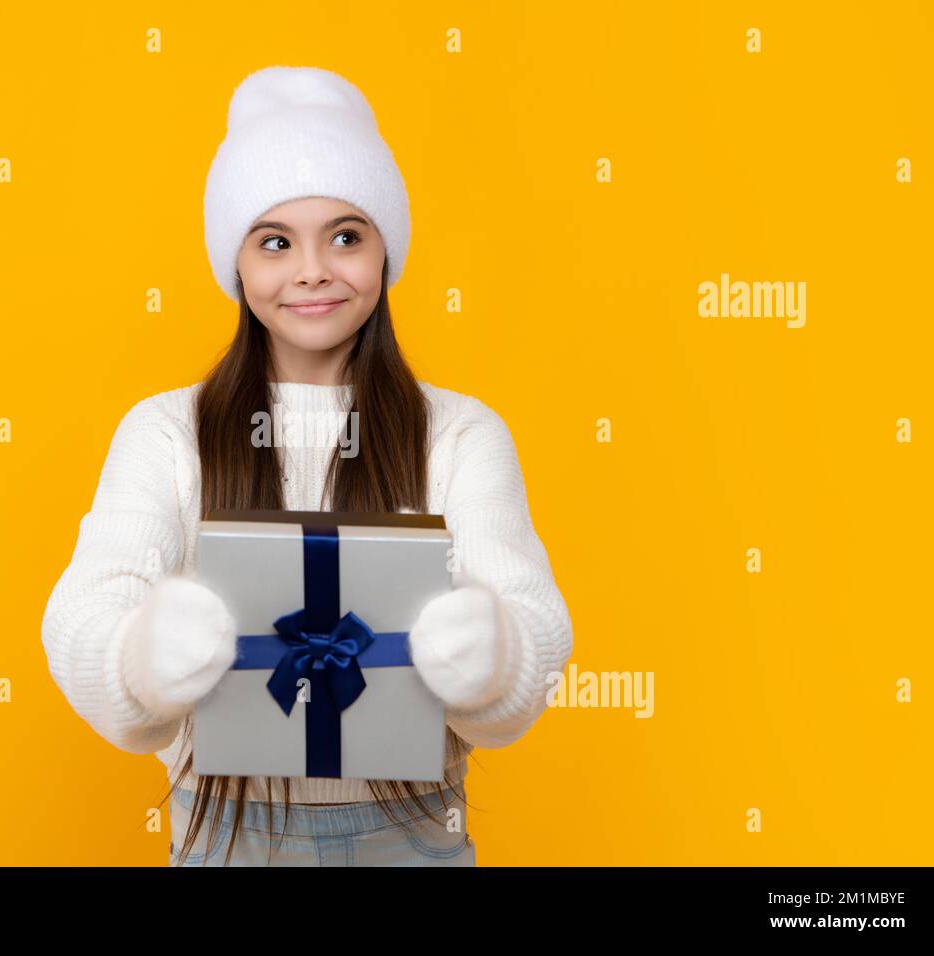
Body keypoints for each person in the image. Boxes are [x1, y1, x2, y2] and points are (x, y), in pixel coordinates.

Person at [41, 65, 573, 866]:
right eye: (277, 241)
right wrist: (140, 658)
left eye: (347, 235)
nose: (314, 270)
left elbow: (530, 643)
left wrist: (494, 656)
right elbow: (83, 618)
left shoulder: (460, 435)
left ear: (385, 251)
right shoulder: (165, 434)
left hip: (417, 839)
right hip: (224, 841)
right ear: (239, 263)